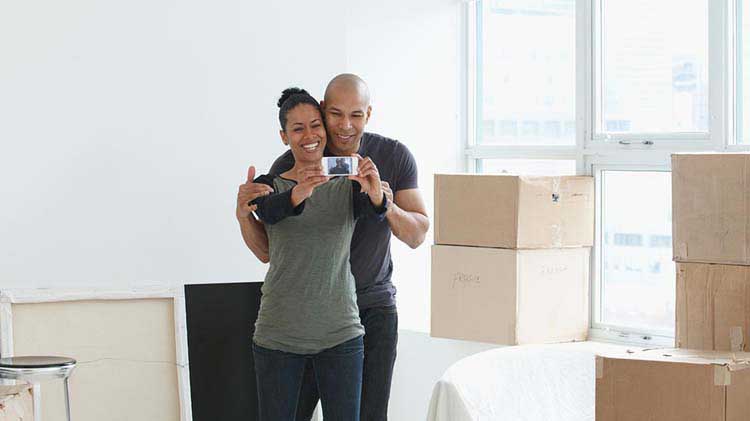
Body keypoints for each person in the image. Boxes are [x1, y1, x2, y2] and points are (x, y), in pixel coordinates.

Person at [238, 74, 429, 421]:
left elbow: (417, 234)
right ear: (324, 112)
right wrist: (245, 215)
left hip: (370, 307)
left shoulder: (394, 155)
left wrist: (382, 200)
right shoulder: (291, 165)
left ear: (368, 114)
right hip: (309, 315)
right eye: (335, 114)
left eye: (355, 115)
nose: (344, 126)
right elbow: (268, 250)